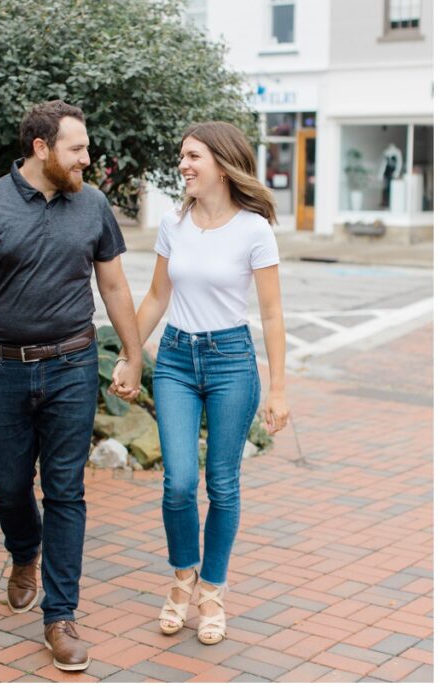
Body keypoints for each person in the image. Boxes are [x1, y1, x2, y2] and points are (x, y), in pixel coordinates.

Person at [0, 100, 143, 672]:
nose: (87, 158)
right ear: (42, 148)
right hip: (2, 369)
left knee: (66, 490)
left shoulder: (93, 205)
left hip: (72, 366)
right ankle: (24, 551)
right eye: (77, 148)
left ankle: (61, 616)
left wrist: (132, 353)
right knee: (5, 486)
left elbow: (116, 287)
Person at [120, 121, 290, 645]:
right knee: (177, 482)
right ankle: (181, 579)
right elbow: (154, 297)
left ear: (221, 162)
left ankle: (212, 591)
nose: (183, 165)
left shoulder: (255, 230)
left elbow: (272, 314)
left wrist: (279, 388)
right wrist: (130, 357)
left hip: (231, 362)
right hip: (174, 358)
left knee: (222, 484)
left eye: (192, 156)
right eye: (181, 156)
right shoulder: (175, 222)